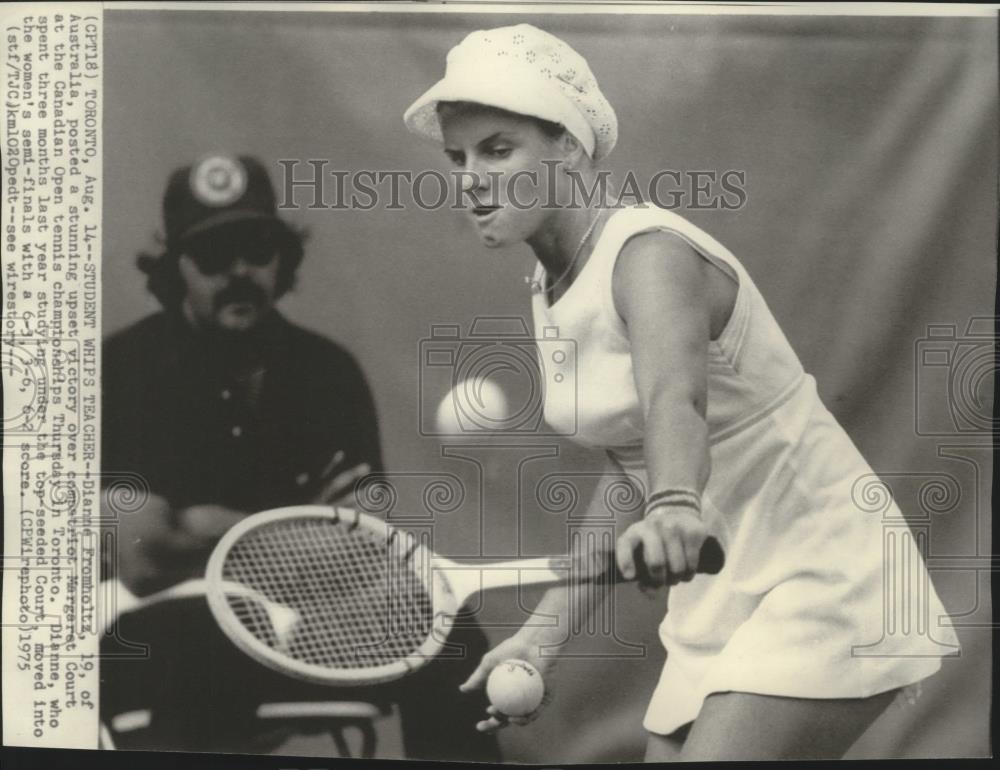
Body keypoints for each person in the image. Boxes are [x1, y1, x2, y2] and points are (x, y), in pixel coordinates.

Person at [402, 24, 959, 761]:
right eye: (458, 156)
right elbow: (628, 464)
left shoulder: (648, 255)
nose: (471, 177)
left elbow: (675, 402)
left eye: (498, 149)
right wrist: (545, 633)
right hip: (717, 597)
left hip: (823, 574)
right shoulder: (551, 285)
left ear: (566, 145)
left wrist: (673, 506)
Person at [100, 154, 500, 761]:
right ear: (175, 266)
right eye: (213, 255)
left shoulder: (326, 371)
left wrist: (206, 525)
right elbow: (144, 557)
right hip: (164, 637)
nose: (239, 270)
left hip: (306, 627)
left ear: (282, 258)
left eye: (257, 248)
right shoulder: (125, 368)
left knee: (447, 632)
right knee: (201, 647)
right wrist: (304, 523)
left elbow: (368, 548)